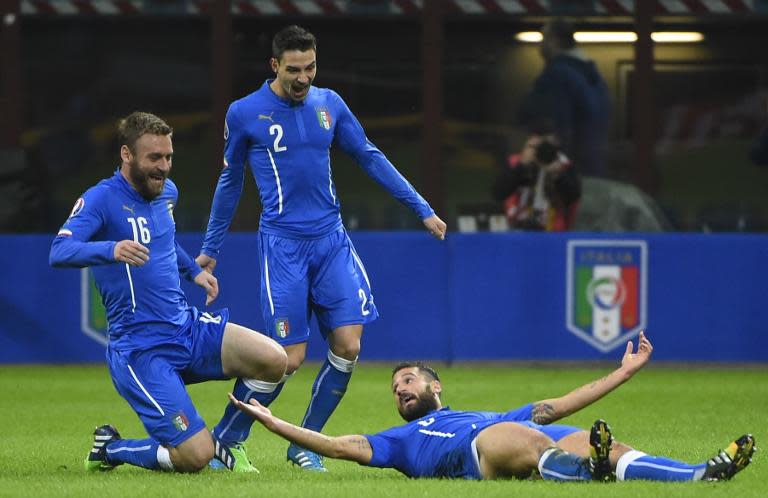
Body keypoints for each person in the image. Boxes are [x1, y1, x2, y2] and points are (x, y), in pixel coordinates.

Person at [196, 25, 447, 472]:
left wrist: (421, 207)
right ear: (274, 66)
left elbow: (369, 155)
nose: (303, 78)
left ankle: (304, 445)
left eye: (310, 67)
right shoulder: (245, 113)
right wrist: (211, 246)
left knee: (348, 345)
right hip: (283, 246)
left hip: (331, 242)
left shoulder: (329, 105)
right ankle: (226, 441)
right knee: (286, 359)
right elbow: (230, 180)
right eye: (294, 69)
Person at [49, 112, 288, 473]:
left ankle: (227, 441)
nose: (164, 167)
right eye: (154, 158)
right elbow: (59, 251)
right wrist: (110, 249)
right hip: (141, 348)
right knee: (194, 457)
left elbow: (163, 240)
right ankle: (112, 450)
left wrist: (193, 271)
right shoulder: (100, 199)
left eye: (169, 157)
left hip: (186, 328)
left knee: (274, 360)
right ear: (127, 155)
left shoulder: (166, 193)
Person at [229, 332, 756, 482]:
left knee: (585, 438)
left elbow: (558, 404)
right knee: (519, 438)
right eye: (395, 389)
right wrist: (276, 425)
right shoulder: (399, 442)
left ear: (435, 387)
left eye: (408, 381)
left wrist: (624, 371)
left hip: (507, 438)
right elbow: (339, 446)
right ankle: (584, 471)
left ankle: (695, 475)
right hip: (480, 456)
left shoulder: (480, 412)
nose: (400, 391)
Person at [518, 19, 611, 178]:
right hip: (592, 168)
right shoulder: (594, 79)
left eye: (543, 39)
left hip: (565, 171)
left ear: (554, 40)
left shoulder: (557, 75)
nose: (540, 46)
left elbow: (553, 122)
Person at [491, 124, 581, 230]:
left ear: (556, 144)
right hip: (517, 229)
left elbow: (573, 198)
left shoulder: (564, 165)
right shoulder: (515, 162)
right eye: (539, 146)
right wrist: (522, 166)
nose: (543, 149)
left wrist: (557, 175)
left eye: (547, 145)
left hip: (553, 232)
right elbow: (498, 193)